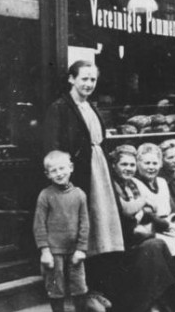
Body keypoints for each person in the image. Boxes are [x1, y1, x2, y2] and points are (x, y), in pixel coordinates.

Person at [42, 60, 123, 297]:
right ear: (71, 79)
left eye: (93, 80)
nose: (89, 84)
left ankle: (96, 286)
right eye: (84, 79)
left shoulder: (90, 107)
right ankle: (80, 291)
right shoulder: (60, 108)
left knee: (99, 227)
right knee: (82, 228)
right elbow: (53, 147)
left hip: (99, 173)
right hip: (80, 175)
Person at [108, 145, 175, 312]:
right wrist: (143, 204)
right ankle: (152, 304)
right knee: (154, 247)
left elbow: (147, 213)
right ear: (114, 166)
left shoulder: (132, 184)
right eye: (124, 165)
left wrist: (142, 211)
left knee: (158, 245)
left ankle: (161, 301)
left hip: (138, 237)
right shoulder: (112, 185)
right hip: (122, 244)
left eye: (131, 165)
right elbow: (125, 210)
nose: (129, 169)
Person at [34, 150, 89, 312]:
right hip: (54, 251)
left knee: (79, 285)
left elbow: (84, 223)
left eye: (62, 168)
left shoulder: (79, 195)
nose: (59, 174)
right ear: (47, 174)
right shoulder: (45, 195)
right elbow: (39, 224)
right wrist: (45, 251)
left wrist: (81, 249)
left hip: (75, 251)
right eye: (53, 170)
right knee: (55, 286)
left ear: (71, 167)